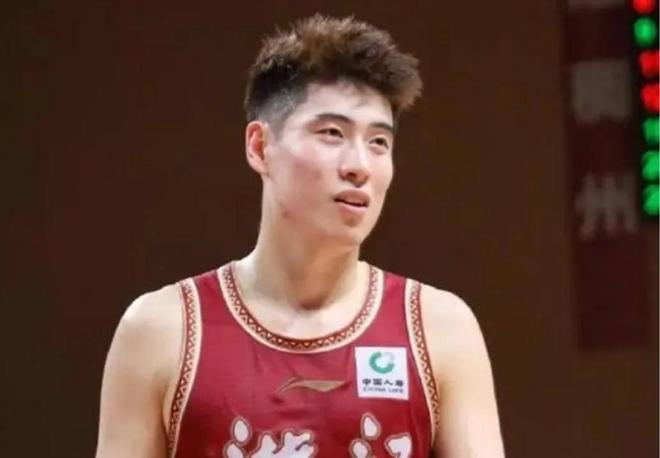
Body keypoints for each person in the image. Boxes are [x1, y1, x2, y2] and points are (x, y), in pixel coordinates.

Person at [95, 14, 505, 458]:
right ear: (260, 147)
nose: (359, 166)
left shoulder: (440, 329)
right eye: (332, 133)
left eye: (378, 142)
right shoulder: (160, 330)